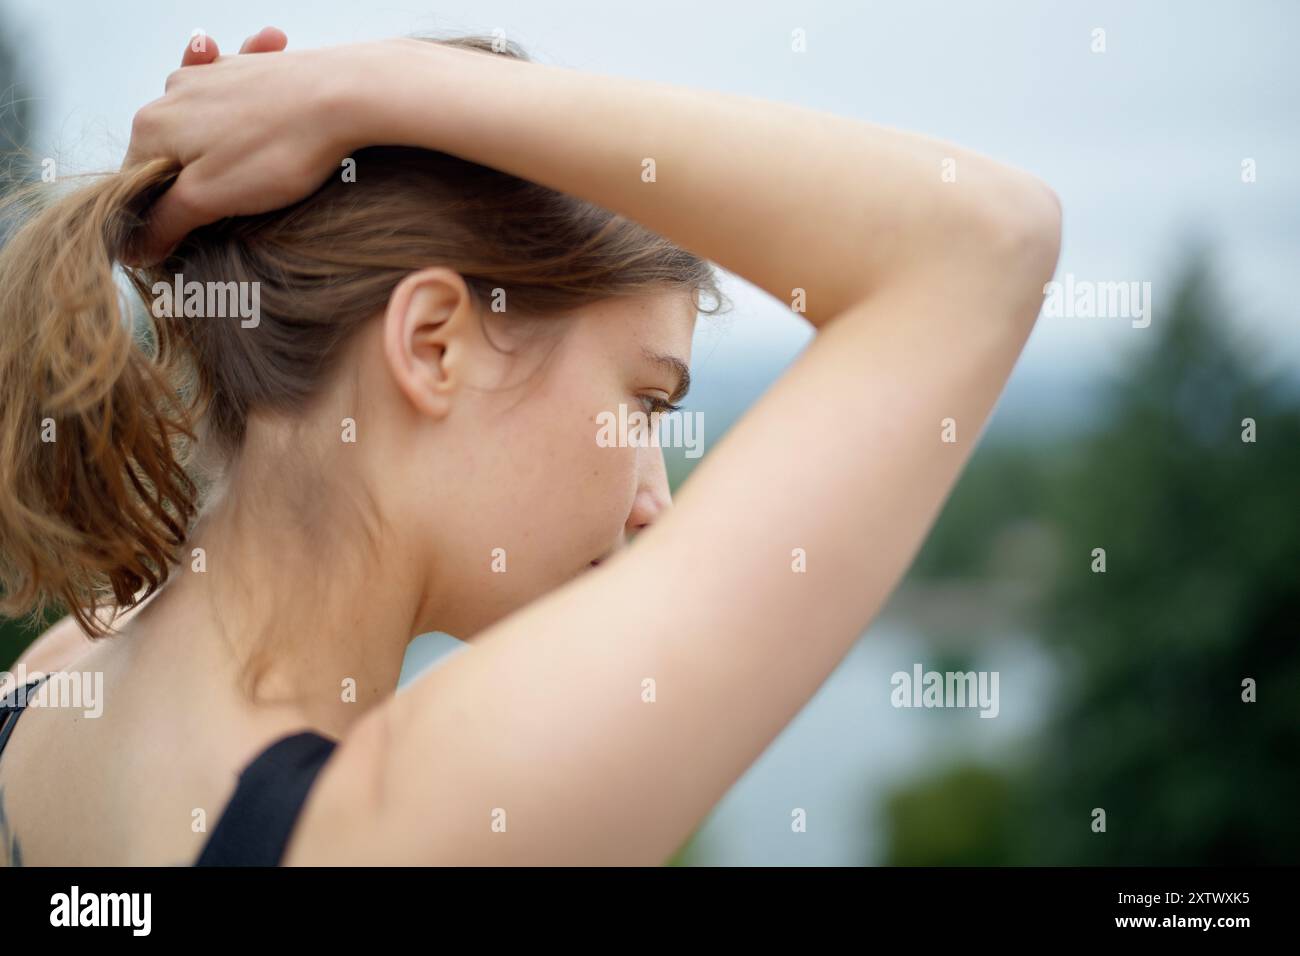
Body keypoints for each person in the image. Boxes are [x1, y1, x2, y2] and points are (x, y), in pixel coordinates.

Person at [0, 27, 1061, 865]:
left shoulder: (44, 690)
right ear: (433, 345)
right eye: (643, 401)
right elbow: (985, 242)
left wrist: (361, 90)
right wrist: (370, 87)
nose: (657, 502)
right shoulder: (407, 825)